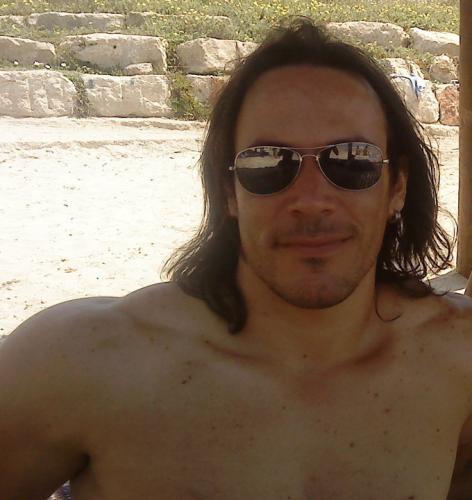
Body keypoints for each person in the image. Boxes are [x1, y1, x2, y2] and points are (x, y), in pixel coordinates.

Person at [1, 17, 472, 500]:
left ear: (397, 187)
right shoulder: (80, 363)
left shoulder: (459, 362)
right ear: (228, 190)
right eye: (267, 162)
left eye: (353, 160)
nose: (312, 200)